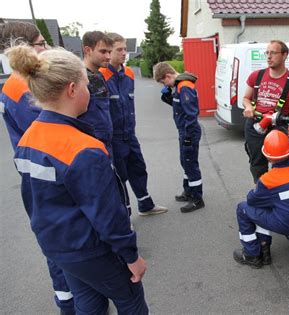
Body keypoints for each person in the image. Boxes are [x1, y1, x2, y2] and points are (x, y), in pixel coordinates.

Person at [8, 45, 149, 314]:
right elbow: (108, 216)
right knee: (130, 299)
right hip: (91, 249)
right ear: (72, 89)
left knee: (88, 303)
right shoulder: (84, 148)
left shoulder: (29, 138)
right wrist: (131, 256)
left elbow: (33, 201)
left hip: (58, 247)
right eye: (86, 85)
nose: (90, 92)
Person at [0, 21, 75, 314]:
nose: (46, 48)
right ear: (25, 47)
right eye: (42, 43)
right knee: (60, 243)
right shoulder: (24, 88)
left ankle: (70, 298)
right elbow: (53, 135)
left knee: (55, 241)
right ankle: (70, 304)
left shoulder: (12, 85)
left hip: (36, 174)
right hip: (49, 179)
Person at [99, 33, 167, 216]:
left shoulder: (128, 73)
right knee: (119, 177)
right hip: (113, 138)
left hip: (129, 134)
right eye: (119, 50)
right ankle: (125, 216)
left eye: (125, 49)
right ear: (108, 52)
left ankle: (146, 205)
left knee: (138, 168)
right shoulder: (100, 76)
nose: (124, 54)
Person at [233, 130, 289, 268]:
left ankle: (252, 255)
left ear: (267, 156)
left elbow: (252, 201)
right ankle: (264, 250)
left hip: (287, 226)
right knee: (265, 204)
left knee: (243, 208)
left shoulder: (267, 181)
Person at [242, 40, 289, 183]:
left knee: (285, 163)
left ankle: (284, 195)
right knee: (257, 164)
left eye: (274, 53)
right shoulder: (256, 76)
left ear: (284, 55)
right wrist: (248, 107)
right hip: (255, 125)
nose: (269, 57)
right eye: (267, 53)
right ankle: (262, 192)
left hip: (278, 126)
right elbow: (246, 98)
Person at [154, 62, 205, 213]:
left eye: (164, 82)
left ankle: (197, 199)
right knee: (185, 161)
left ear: (168, 76)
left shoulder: (184, 87)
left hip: (189, 131)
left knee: (190, 164)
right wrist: (167, 96)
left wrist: (188, 137)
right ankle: (188, 191)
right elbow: (179, 107)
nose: (165, 84)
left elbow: (191, 114)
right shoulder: (178, 86)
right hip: (184, 131)